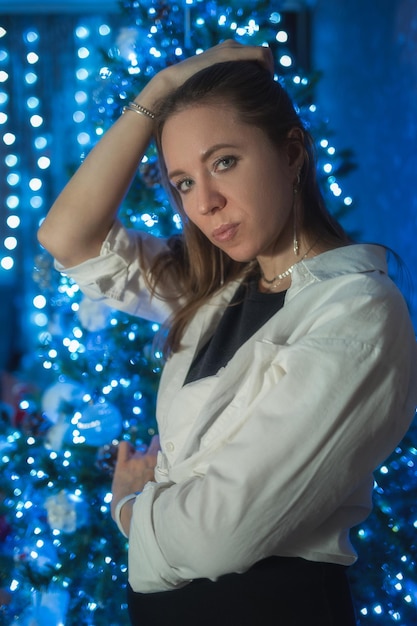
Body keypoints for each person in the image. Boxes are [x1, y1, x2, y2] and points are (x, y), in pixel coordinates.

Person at [38, 40, 417, 625]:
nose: (206, 204)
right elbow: (68, 238)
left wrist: (129, 510)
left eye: (224, 162)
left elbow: (220, 536)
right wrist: (160, 90)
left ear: (291, 153)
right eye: (183, 182)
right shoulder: (210, 291)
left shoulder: (359, 310)